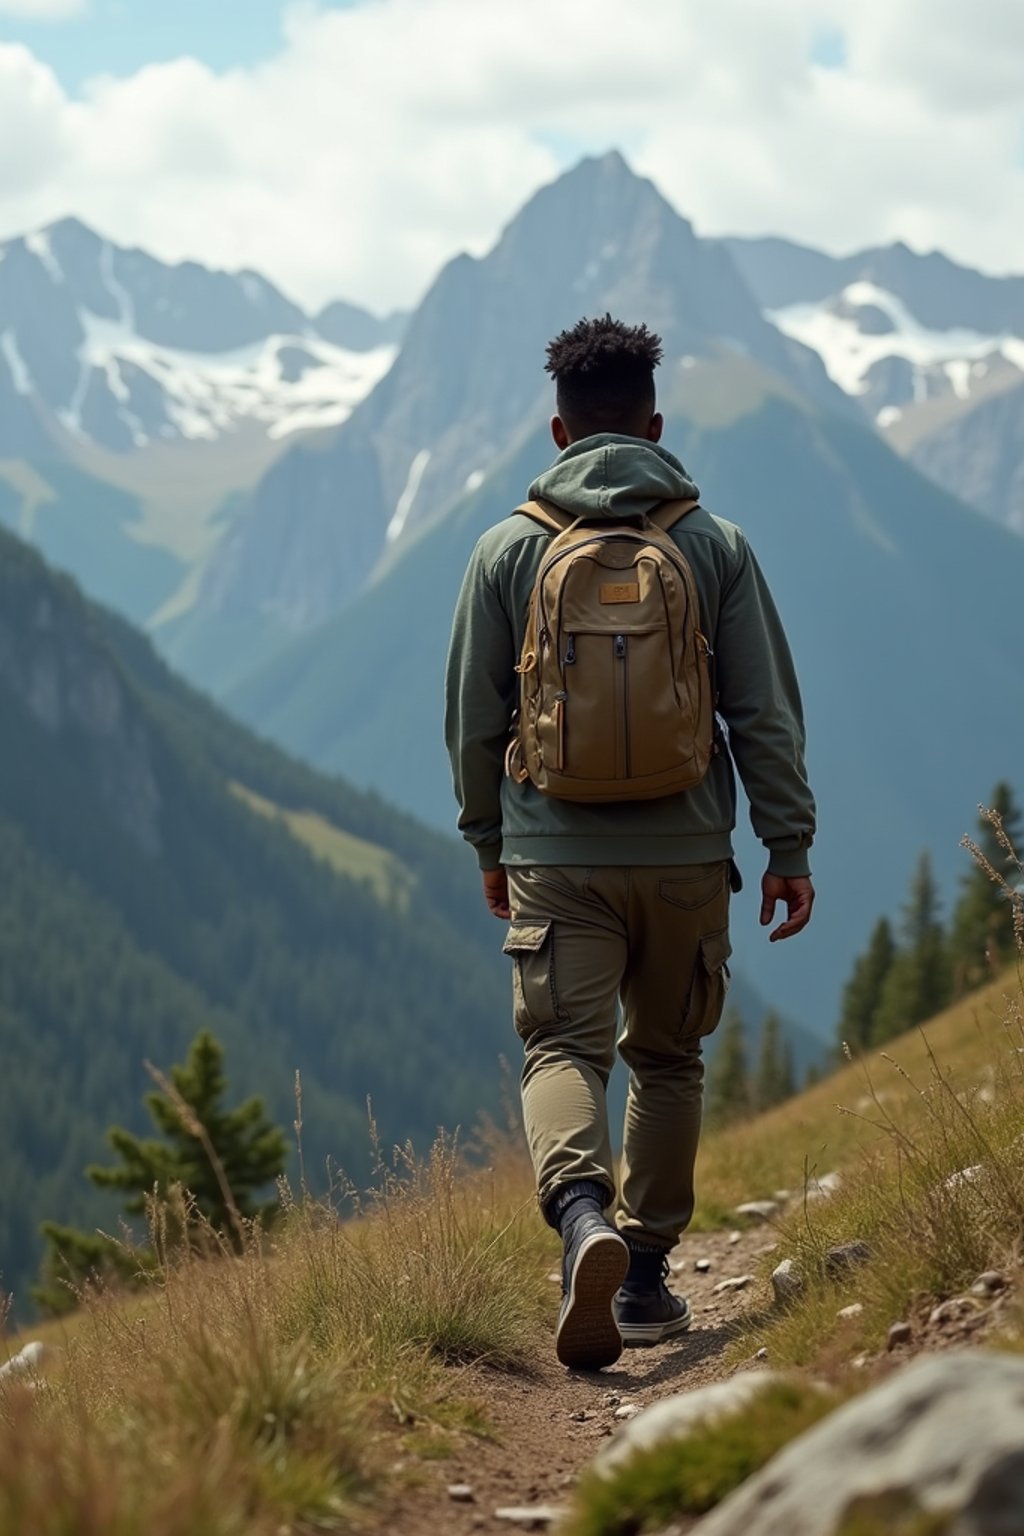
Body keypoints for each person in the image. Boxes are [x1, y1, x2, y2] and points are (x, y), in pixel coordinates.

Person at [444, 315, 815, 1370]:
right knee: (668, 1055)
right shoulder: (713, 545)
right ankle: (646, 1277)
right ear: (653, 423)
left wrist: (488, 839)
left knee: (562, 1048)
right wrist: (786, 845)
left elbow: (472, 718)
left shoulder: (507, 549)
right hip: (689, 850)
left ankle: (579, 1222)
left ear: (560, 428)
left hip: (553, 854)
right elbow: (763, 713)